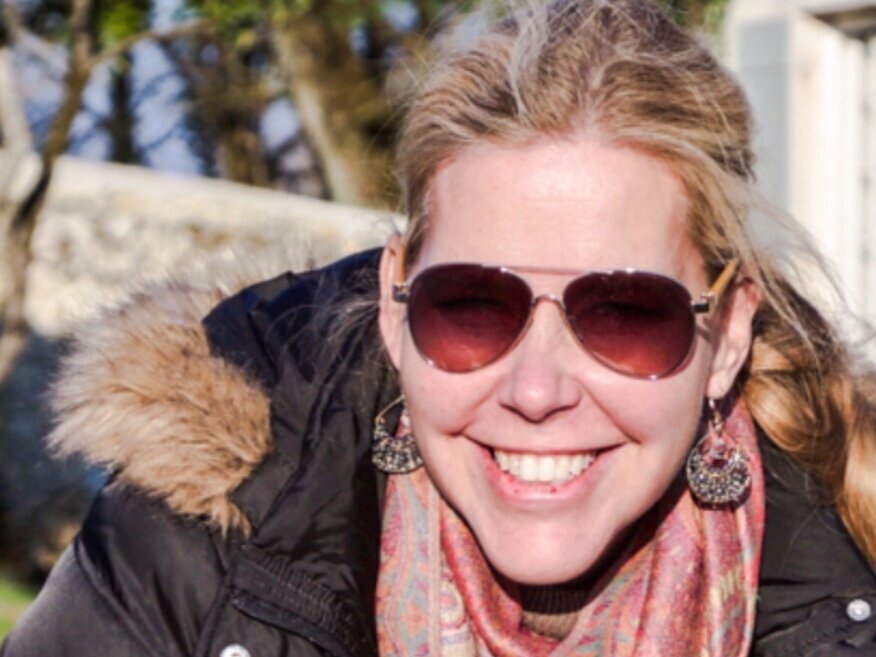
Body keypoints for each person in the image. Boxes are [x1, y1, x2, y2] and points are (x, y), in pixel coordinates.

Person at [4, 0, 876, 655]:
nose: (536, 390)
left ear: (727, 335)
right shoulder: (205, 539)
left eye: (622, 315)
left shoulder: (852, 562)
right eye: (471, 305)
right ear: (395, 304)